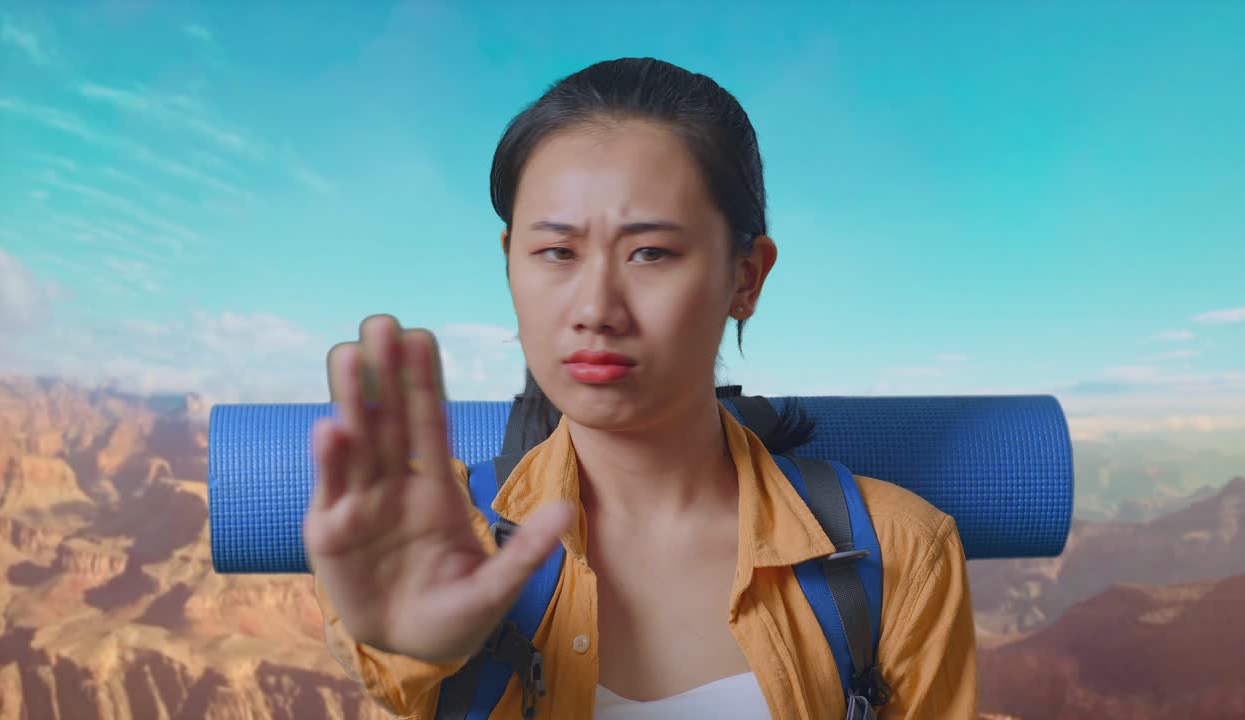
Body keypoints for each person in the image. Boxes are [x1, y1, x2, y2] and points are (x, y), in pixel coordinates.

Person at [304, 57, 977, 719]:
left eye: (650, 252)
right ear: (509, 263)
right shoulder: (433, 539)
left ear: (746, 277)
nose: (595, 308)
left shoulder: (903, 554)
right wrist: (406, 650)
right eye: (557, 253)